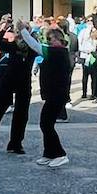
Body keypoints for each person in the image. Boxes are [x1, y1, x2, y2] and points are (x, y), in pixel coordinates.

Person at [0, 19, 38, 154]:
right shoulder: (13, 45)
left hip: (24, 82)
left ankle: (16, 143)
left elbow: (37, 46)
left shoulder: (32, 48)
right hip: (9, 80)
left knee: (21, 113)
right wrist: (4, 29)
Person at [36, 26, 74, 167]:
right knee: (46, 123)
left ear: (59, 39)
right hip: (52, 93)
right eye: (48, 40)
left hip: (57, 94)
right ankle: (49, 153)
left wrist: (23, 31)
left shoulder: (59, 52)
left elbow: (36, 46)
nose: (50, 42)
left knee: (46, 124)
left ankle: (60, 153)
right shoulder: (56, 52)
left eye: (51, 40)